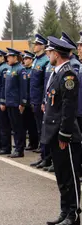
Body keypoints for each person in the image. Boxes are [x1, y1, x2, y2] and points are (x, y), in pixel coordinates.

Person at [43, 36, 81, 225]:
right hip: (54, 132)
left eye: (49, 52)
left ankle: (73, 215)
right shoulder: (56, 73)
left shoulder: (68, 75)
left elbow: (69, 107)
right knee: (61, 177)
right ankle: (64, 211)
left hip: (65, 134)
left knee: (70, 177)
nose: (47, 55)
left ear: (56, 54)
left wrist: (64, 134)